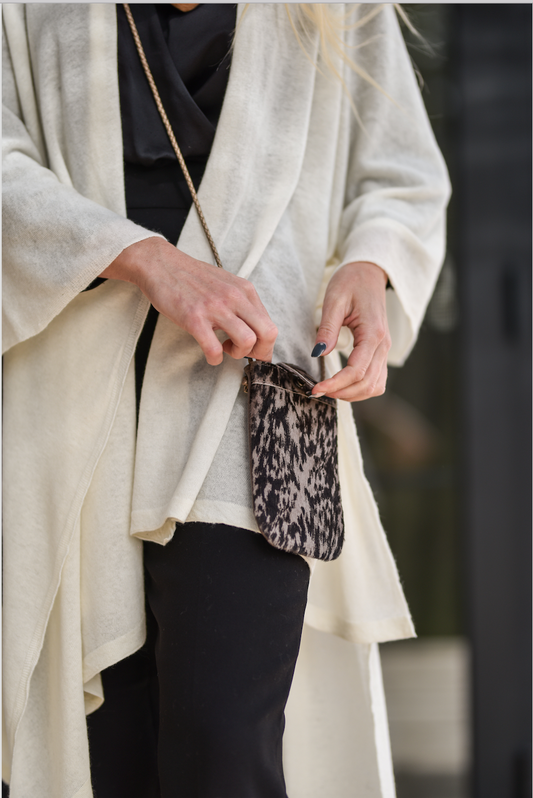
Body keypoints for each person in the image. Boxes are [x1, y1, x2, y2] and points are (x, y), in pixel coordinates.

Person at [2, 3, 450, 797]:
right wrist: (140, 256)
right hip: (71, 403)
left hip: (263, 398)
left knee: (225, 744)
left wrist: (371, 267)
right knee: (107, 748)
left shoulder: (341, 7)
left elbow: (400, 177)